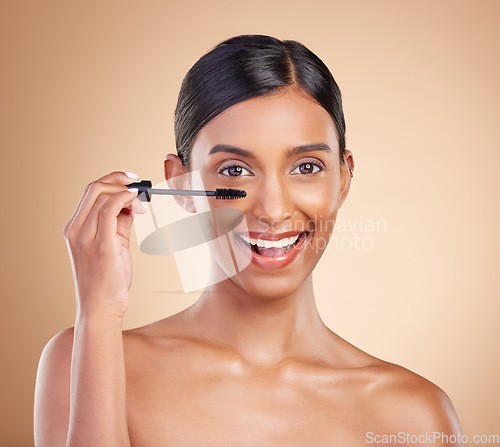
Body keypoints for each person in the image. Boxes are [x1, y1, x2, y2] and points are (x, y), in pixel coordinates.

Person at [34, 34, 462, 446]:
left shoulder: (415, 417)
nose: (273, 211)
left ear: (344, 178)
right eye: (235, 169)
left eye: (307, 167)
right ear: (178, 184)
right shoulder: (85, 358)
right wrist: (101, 312)